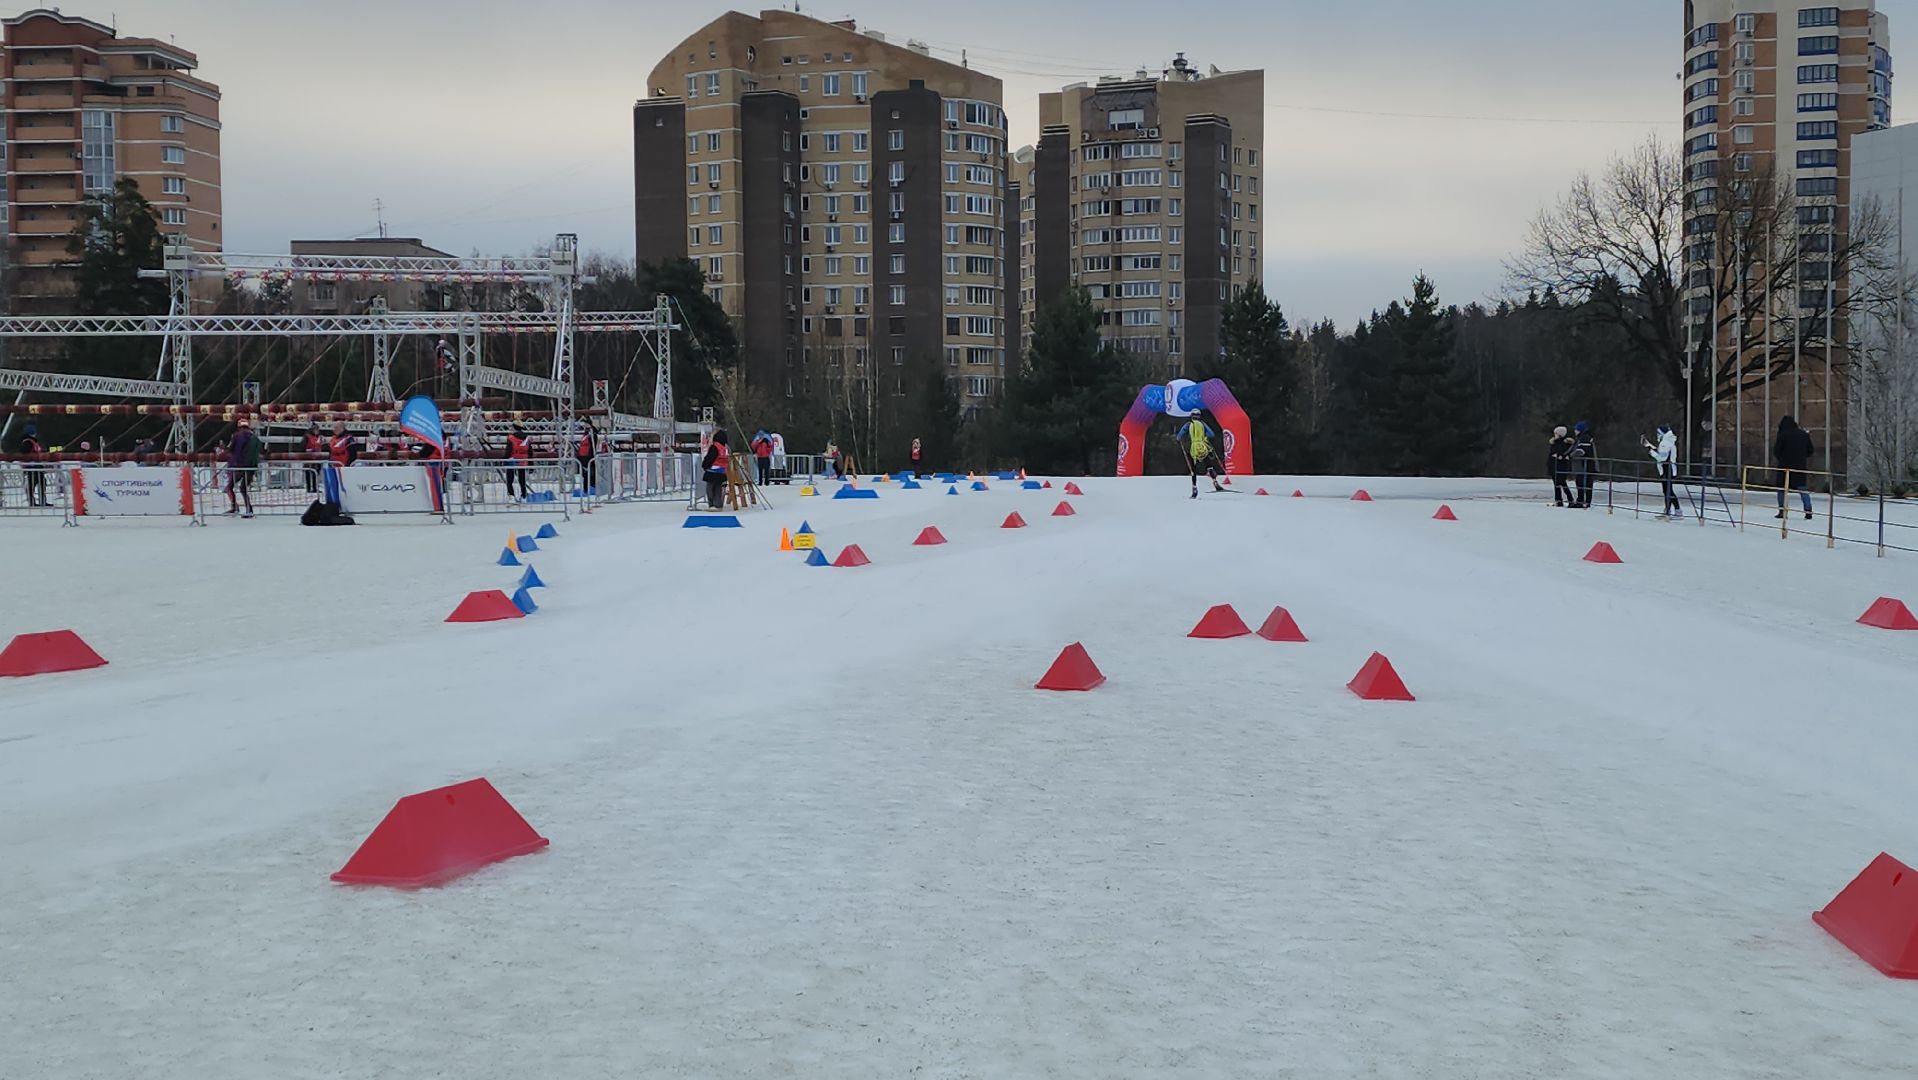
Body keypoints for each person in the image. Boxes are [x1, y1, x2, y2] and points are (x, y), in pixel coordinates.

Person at [1174, 412, 1226, 499]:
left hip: (1193, 448)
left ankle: (1194, 489)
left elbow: (1180, 436)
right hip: (1202, 446)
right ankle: (1215, 483)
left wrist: (1178, 436)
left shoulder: (1188, 424)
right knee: (1209, 465)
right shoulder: (1202, 424)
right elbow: (1211, 434)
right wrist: (1204, 437)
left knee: (1193, 468)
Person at [1773, 415, 1815, 520]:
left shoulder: (1782, 434)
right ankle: (1808, 510)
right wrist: (1801, 457)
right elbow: (1810, 450)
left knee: (1782, 489)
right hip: (1800, 466)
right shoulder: (1803, 434)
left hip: (1784, 466)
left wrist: (1782, 458)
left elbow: (1777, 451)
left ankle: (1782, 511)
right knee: (1802, 489)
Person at [1643, 423, 1682, 519]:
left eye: (1658, 433)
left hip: (1667, 468)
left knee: (1668, 491)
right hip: (1669, 468)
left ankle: (1673, 511)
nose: (1657, 435)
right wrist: (1649, 446)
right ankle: (1671, 510)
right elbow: (1661, 452)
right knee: (1667, 490)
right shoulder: (1668, 442)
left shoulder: (1665, 443)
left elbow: (1662, 457)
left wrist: (1651, 452)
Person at [225, 419, 261, 518]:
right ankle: (249, 510)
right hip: (251, 466)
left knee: (230, 487)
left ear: (239, 427)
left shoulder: (237, 435)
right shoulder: (254, 437)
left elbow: (231, 449)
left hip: (239, 465)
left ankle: (234, 507)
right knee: (243, 488)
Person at [18, 423, 48, 508]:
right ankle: (33, 501)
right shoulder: (27, 442)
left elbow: (38, 451)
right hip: (32, 466)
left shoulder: (33, 441)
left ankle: (42, 500)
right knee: (32, 484)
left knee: (42, 483)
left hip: (37, 466)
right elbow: (25, 452)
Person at [701, 429, 731, 510]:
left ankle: (712, 505)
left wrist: (705, 465)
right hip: (721, 471)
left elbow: (710, 458)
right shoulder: (724, 448)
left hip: (712, 470)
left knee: (710, 488)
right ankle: (718, 504)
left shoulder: (715, 447)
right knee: (718, 488)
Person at [1569, 421, 1597, 508]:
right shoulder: (1582, 438)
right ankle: (1583, 501)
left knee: (1583, 483)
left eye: (1576, 429)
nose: (1575, 431)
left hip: (1585, 465)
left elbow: (1583, 451)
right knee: (1583, 483)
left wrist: (1571, 455)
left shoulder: (1584, 438)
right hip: (1584, 465)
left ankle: (1583, 501)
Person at [504, 422, 532, 501]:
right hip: (523, 459)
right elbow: (530, 451)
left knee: (510, 478)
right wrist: (531, 463)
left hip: (512, 458)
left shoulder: (511, 438)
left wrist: (504, 459)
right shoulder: (527, 438)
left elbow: (508, 450)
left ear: (514, 428)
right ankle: (524, 496)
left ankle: (511, 495)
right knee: (522, 478)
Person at [1548, 425, 1575, 507]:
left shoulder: (1566, 443)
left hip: (1561, 466)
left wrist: (1560, 456)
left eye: (1556, 433)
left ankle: (1570, 499)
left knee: (1563, 483)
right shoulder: (1554, 443)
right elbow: (1552, 453)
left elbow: (1563, 452)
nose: (1554, 435)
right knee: (1556, 484)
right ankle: (1558, 500)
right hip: (1553, 465)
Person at [575, 419, 600, 495]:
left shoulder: (592, 433)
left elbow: (593, 443)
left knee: (589, 472)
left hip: (588, 456)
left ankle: (591, 487)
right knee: (584, 473)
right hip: (582, 456)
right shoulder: (585, 434)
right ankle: (586, 488)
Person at [302, 423, 324, 493]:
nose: (317, 431)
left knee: (316, 472)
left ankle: (315, 487)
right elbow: (303, 446)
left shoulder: (319, 437)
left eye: (318, 429)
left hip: (317, 457)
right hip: (308, 457)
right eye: (315, 429)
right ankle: (308, 488)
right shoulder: (307, 436)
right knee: (308, 471)